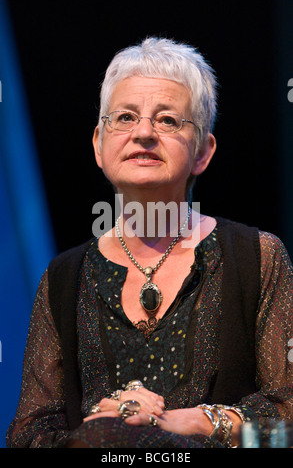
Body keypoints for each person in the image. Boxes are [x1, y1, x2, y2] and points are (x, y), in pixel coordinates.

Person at [6, 37, 293, 449]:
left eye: (168, 120)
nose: (143, 132)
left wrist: (185, 421)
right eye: (124, 117)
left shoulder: (257, 258)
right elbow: (27, 435)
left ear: (203, 153)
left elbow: (287, 416)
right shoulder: (64, 278)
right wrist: (100, 434)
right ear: (98, 146)